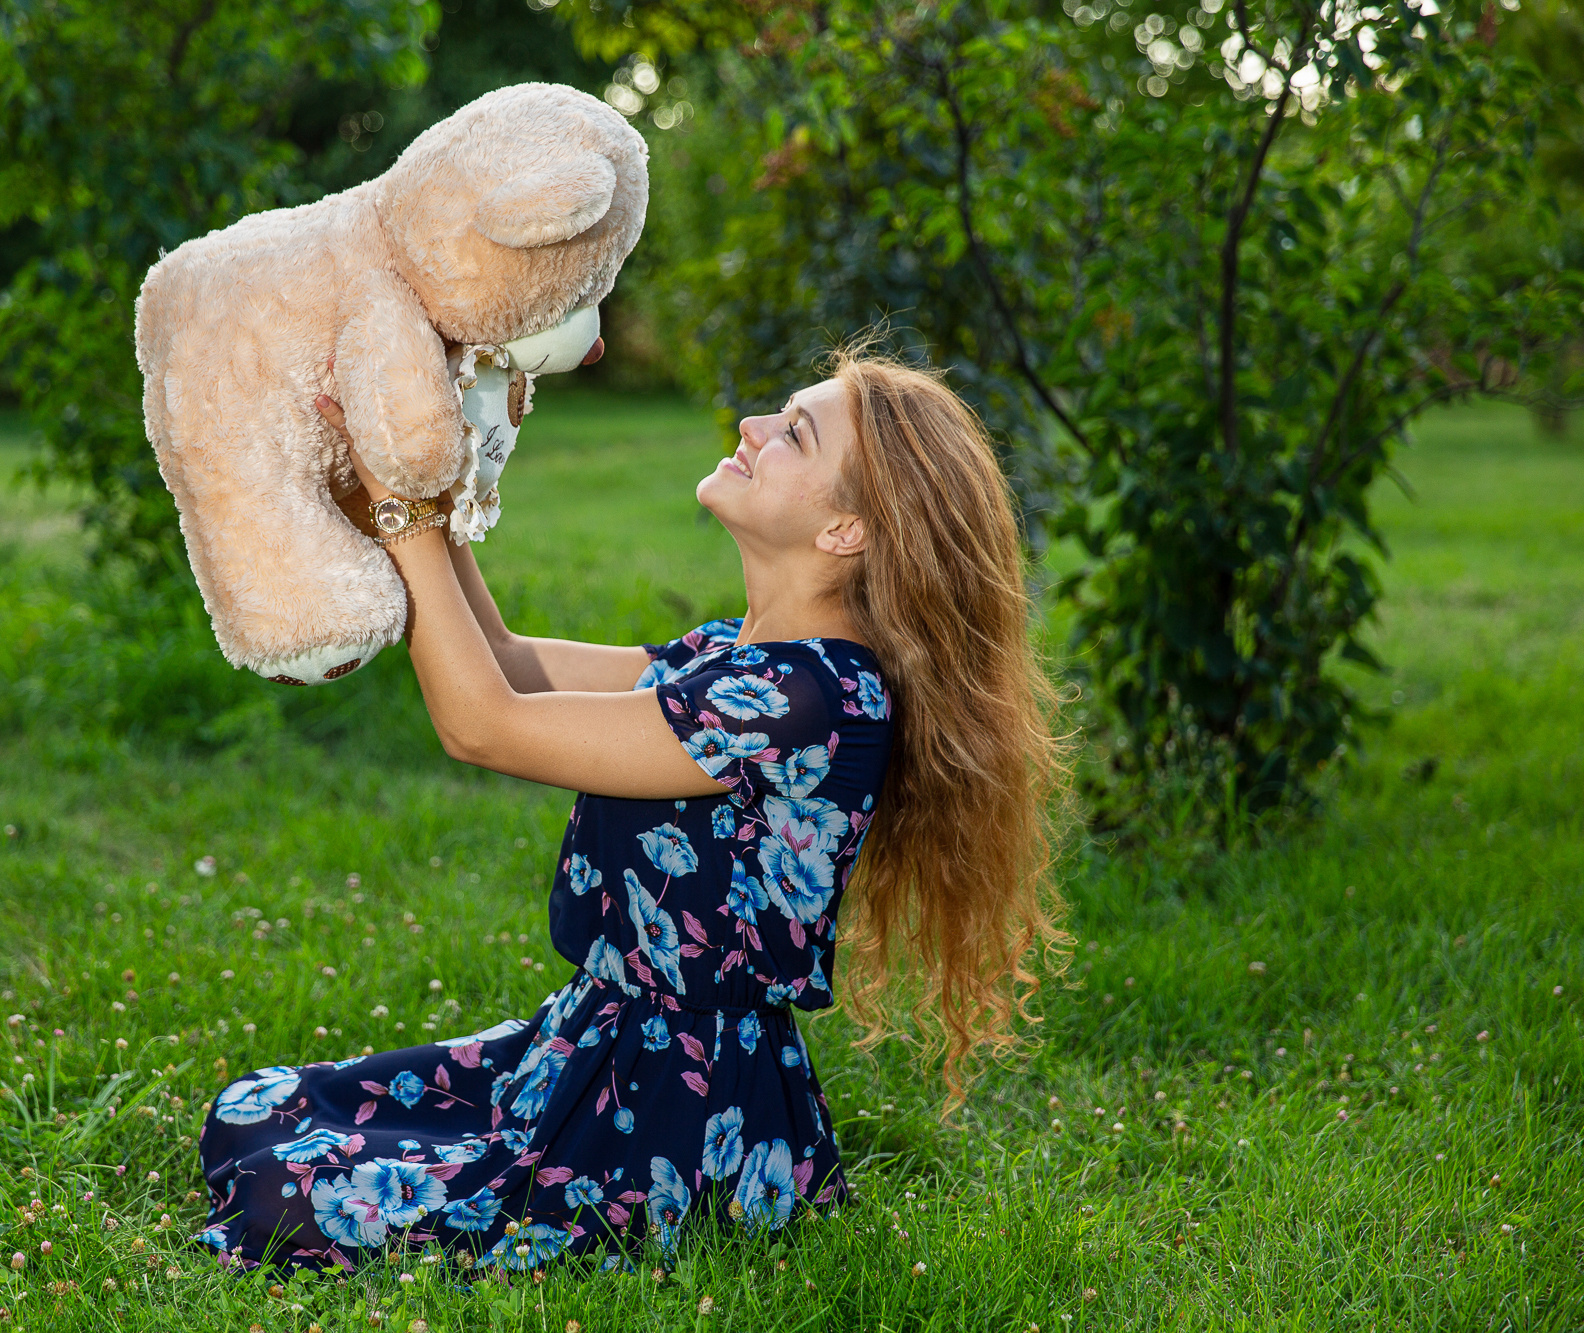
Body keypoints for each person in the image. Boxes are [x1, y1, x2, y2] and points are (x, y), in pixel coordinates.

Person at [193, 347, 1069, 1274]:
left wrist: (400, 510)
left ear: (847, 526)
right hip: (597, 1037)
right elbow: (506, 660)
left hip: (675, 1102)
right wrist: (416, 479)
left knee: (282, 1190)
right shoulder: (740, 657)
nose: (752, 428)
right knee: (266, 1110)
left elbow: (484, 726)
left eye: (793, 433)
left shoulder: (807, 699)